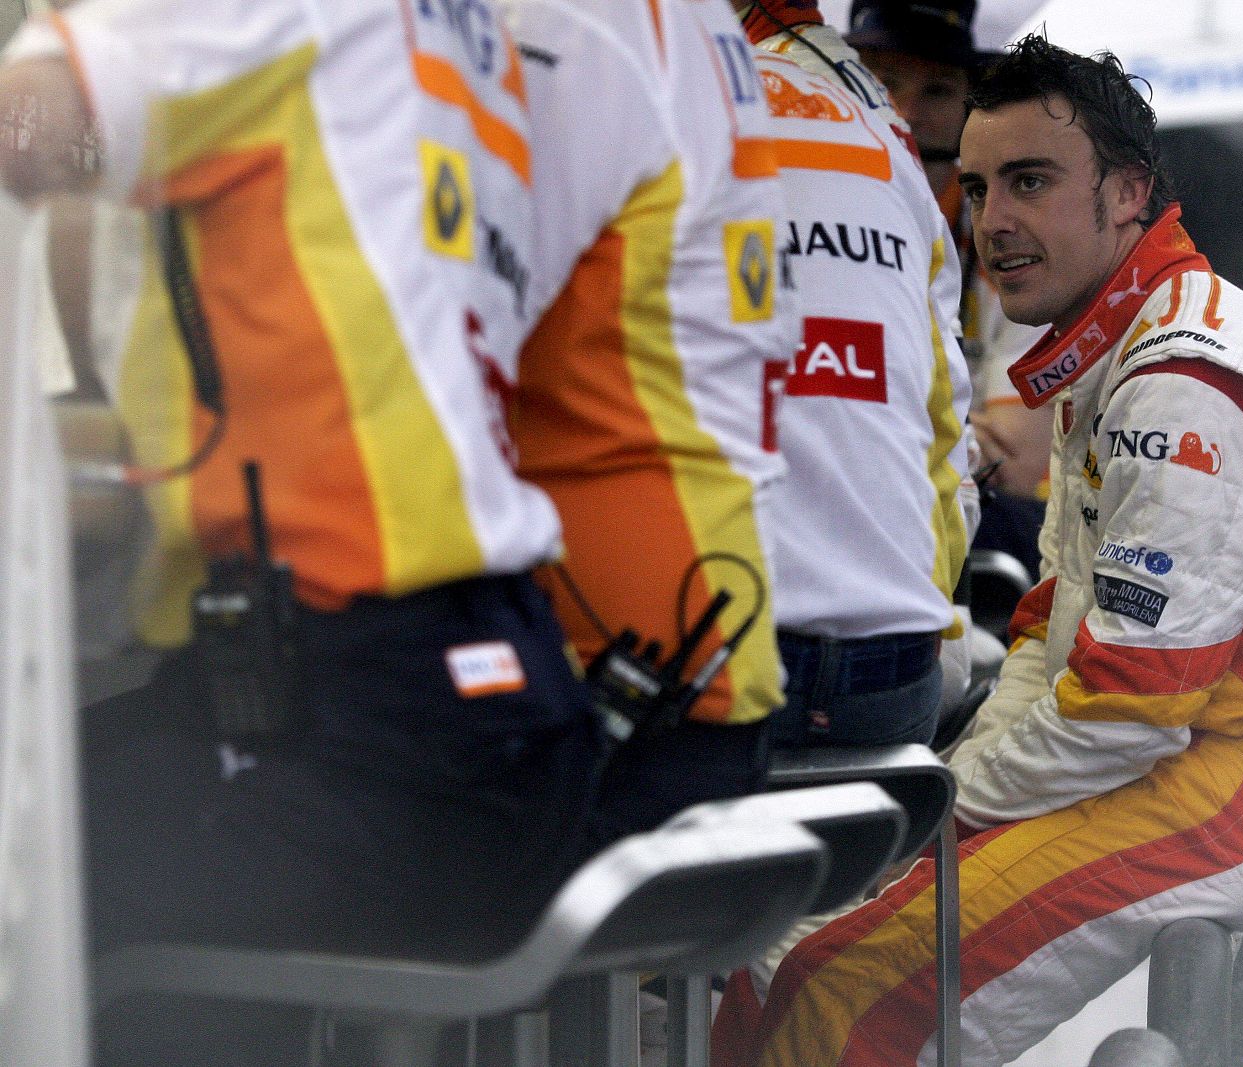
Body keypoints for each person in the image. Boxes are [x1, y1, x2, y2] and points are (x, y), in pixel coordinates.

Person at [713, 36, 1243, 1067]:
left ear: (1127, 194)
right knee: (788, 955)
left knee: (836, 981)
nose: (993, 221)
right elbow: (1053, 625)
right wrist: (947, 793)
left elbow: (1126, 707)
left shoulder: (1187, 381)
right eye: (979, 186)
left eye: (1030, 181)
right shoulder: (1127, 341)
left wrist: (933, 812)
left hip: (1235, 779)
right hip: (1167, 749)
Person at [2, 0, 600, 1060]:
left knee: (41, 855)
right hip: (494, 709)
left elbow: (31, 119)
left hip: (365, 727)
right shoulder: (450, 27)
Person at [502, 0, 793, 844]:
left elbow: (456, 324)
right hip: (696, 643)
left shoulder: (577, 24)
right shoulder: (676, 21)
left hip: (627, 675)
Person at [734, 0, 971, 749]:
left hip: (731, 655)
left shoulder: (670, 87)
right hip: (897, 673)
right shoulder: (889, 138)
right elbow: (948, 434)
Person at [845, 0, 1054, 577]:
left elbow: (1017, 455)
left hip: (958, 519)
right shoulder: (797, 214)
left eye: (937, 92)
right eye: (886, 83)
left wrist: (884, 441)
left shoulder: (1007, 239)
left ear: (969, 108)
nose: (907, 112)